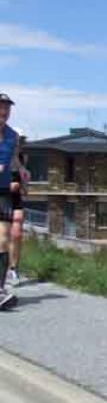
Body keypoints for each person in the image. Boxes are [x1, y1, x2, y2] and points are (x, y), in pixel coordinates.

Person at [0, 93, 23, 310]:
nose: (4, 112)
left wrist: (22, 169)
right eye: (1, 107)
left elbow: (14, 160)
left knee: (4, 238)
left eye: (7, 108)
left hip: (3, 191)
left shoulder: (12, 136)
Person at [8, 132, 29, 287]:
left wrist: (23, 185)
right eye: (18, 141)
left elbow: (24, 185)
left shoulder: (22, 159)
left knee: (17, 232)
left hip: (15, 198)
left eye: (22, 141)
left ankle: (13, 268)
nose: (20, 145)